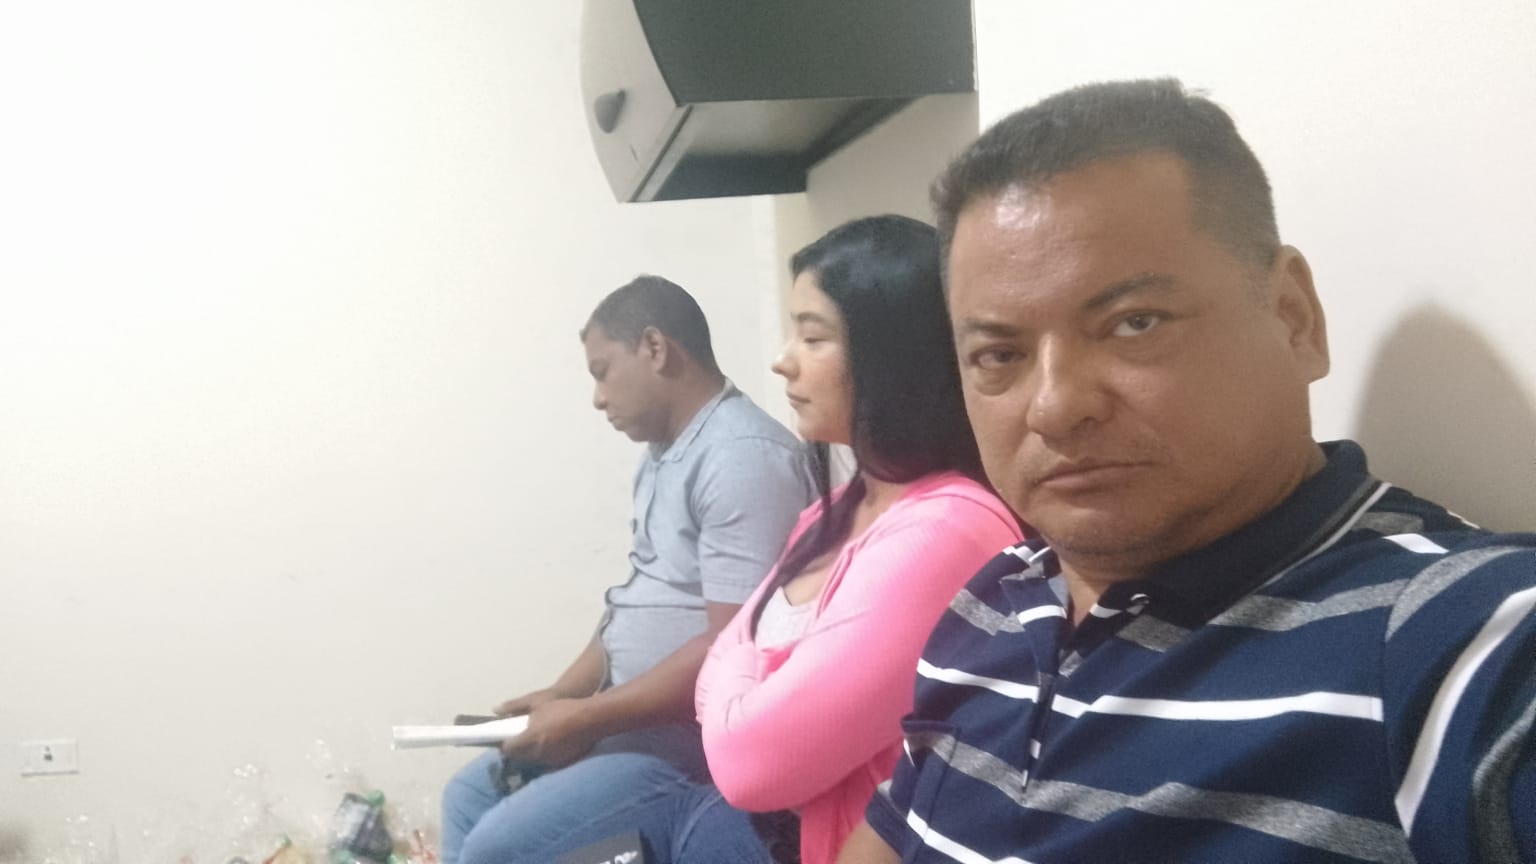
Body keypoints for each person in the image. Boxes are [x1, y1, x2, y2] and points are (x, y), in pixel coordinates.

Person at [839, 79, 1536, 864]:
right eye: (999, 354)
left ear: (1293, 317)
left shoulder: (1450, 641)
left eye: (1134, 323)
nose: (1056, 407)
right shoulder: (994, 601)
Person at [531, 216, 1025, 864]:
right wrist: (747, 688)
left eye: (812, 336)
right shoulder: (832, 513)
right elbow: (732, 686)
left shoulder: (945, 531)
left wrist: (738, 672)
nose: (782, 359)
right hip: (750, 818)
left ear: (892, 355)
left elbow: (749, 762)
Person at [441, 275, 813, 864]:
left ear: (655, 348)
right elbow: (635, 604)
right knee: (466, 797)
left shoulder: (742, 457)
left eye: (602, 371)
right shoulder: (663, 456)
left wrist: (586, 718)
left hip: (686, 743)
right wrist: (563, 695)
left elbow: (734, 649)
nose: (598, 397)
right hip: (626, 720)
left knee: (494, 847)